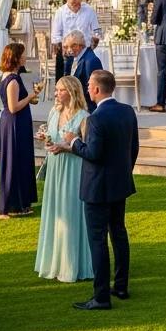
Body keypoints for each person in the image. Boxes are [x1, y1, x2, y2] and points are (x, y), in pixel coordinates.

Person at [64, 70, 139, 310]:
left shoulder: (96, 118)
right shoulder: (128, 112)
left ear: (97, 89)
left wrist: (73, 142)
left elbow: (93, 154)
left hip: (97, 188)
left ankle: (101, 297)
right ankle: (121, 286)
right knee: (118, 233)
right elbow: (133, 148)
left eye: (89, 85)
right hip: (120, 185)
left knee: (97, 241)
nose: (87, 88)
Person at [35, 77, 92, 283]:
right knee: (55, 212)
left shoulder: (84, 117)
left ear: (72, 92)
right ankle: (54, 262)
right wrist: (45, 139)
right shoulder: (53, 112)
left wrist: (66, 147)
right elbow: (51, 139)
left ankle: (73, 264)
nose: (56, 93)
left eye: (60, 90)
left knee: (70, 213)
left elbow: (88, 150)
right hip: (55, 169)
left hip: (74, 170)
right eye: (56, 90)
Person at [0, 42, 40, 218]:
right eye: (23, 54)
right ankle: (8, 205)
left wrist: (30, 99)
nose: (25, 57)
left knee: (21, 161)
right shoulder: (12, 80)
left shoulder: (12, 76)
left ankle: (21, 202)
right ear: (16, 58)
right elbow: (13, 107)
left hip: (17, 122)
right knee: (13, 162)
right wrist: (29, 97)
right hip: (14, 123)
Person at [51, 0, 102, 81]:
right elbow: (55, 36)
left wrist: (92, 45)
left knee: (91, 72)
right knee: (65, 82)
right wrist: (65, 50)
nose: (76, 1)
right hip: (67, 52)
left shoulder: (89, 10)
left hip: (85, 51)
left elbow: (97, 31)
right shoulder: (60, 12)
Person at [62, 30, 103, 113]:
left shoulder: (91, 61)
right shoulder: (73, 57)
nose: (69, 50)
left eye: (72, 46)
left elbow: (94, 90)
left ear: (80, 45)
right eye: (66, 47)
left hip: (87, 109)